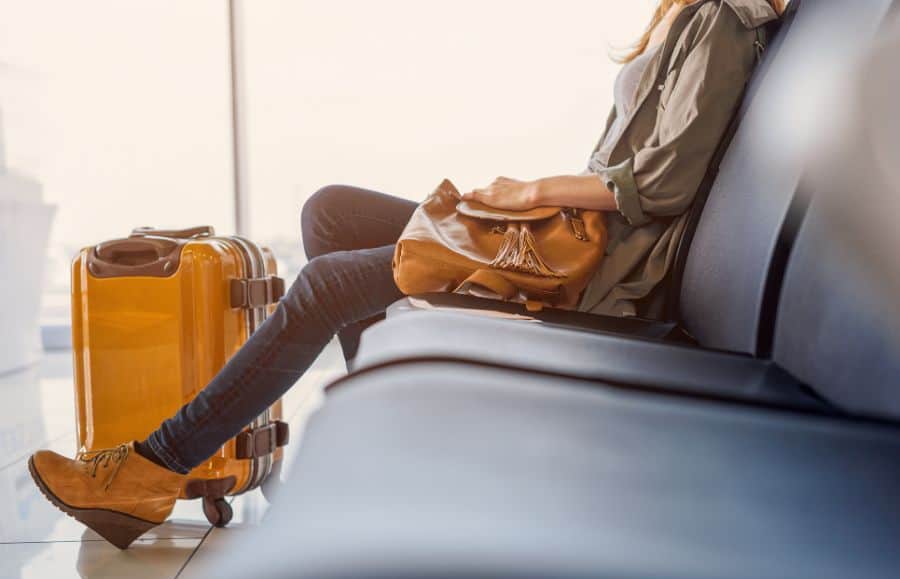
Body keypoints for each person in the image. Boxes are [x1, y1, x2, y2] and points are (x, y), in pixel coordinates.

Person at [28, 0, 784, 549]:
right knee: (333, 212)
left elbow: (665, 183)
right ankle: (392, 444)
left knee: (326, 282)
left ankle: (150, 472)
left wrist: (534, 193)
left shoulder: (719, 22)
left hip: (598, 276)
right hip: (570, 245)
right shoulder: (689, 14)